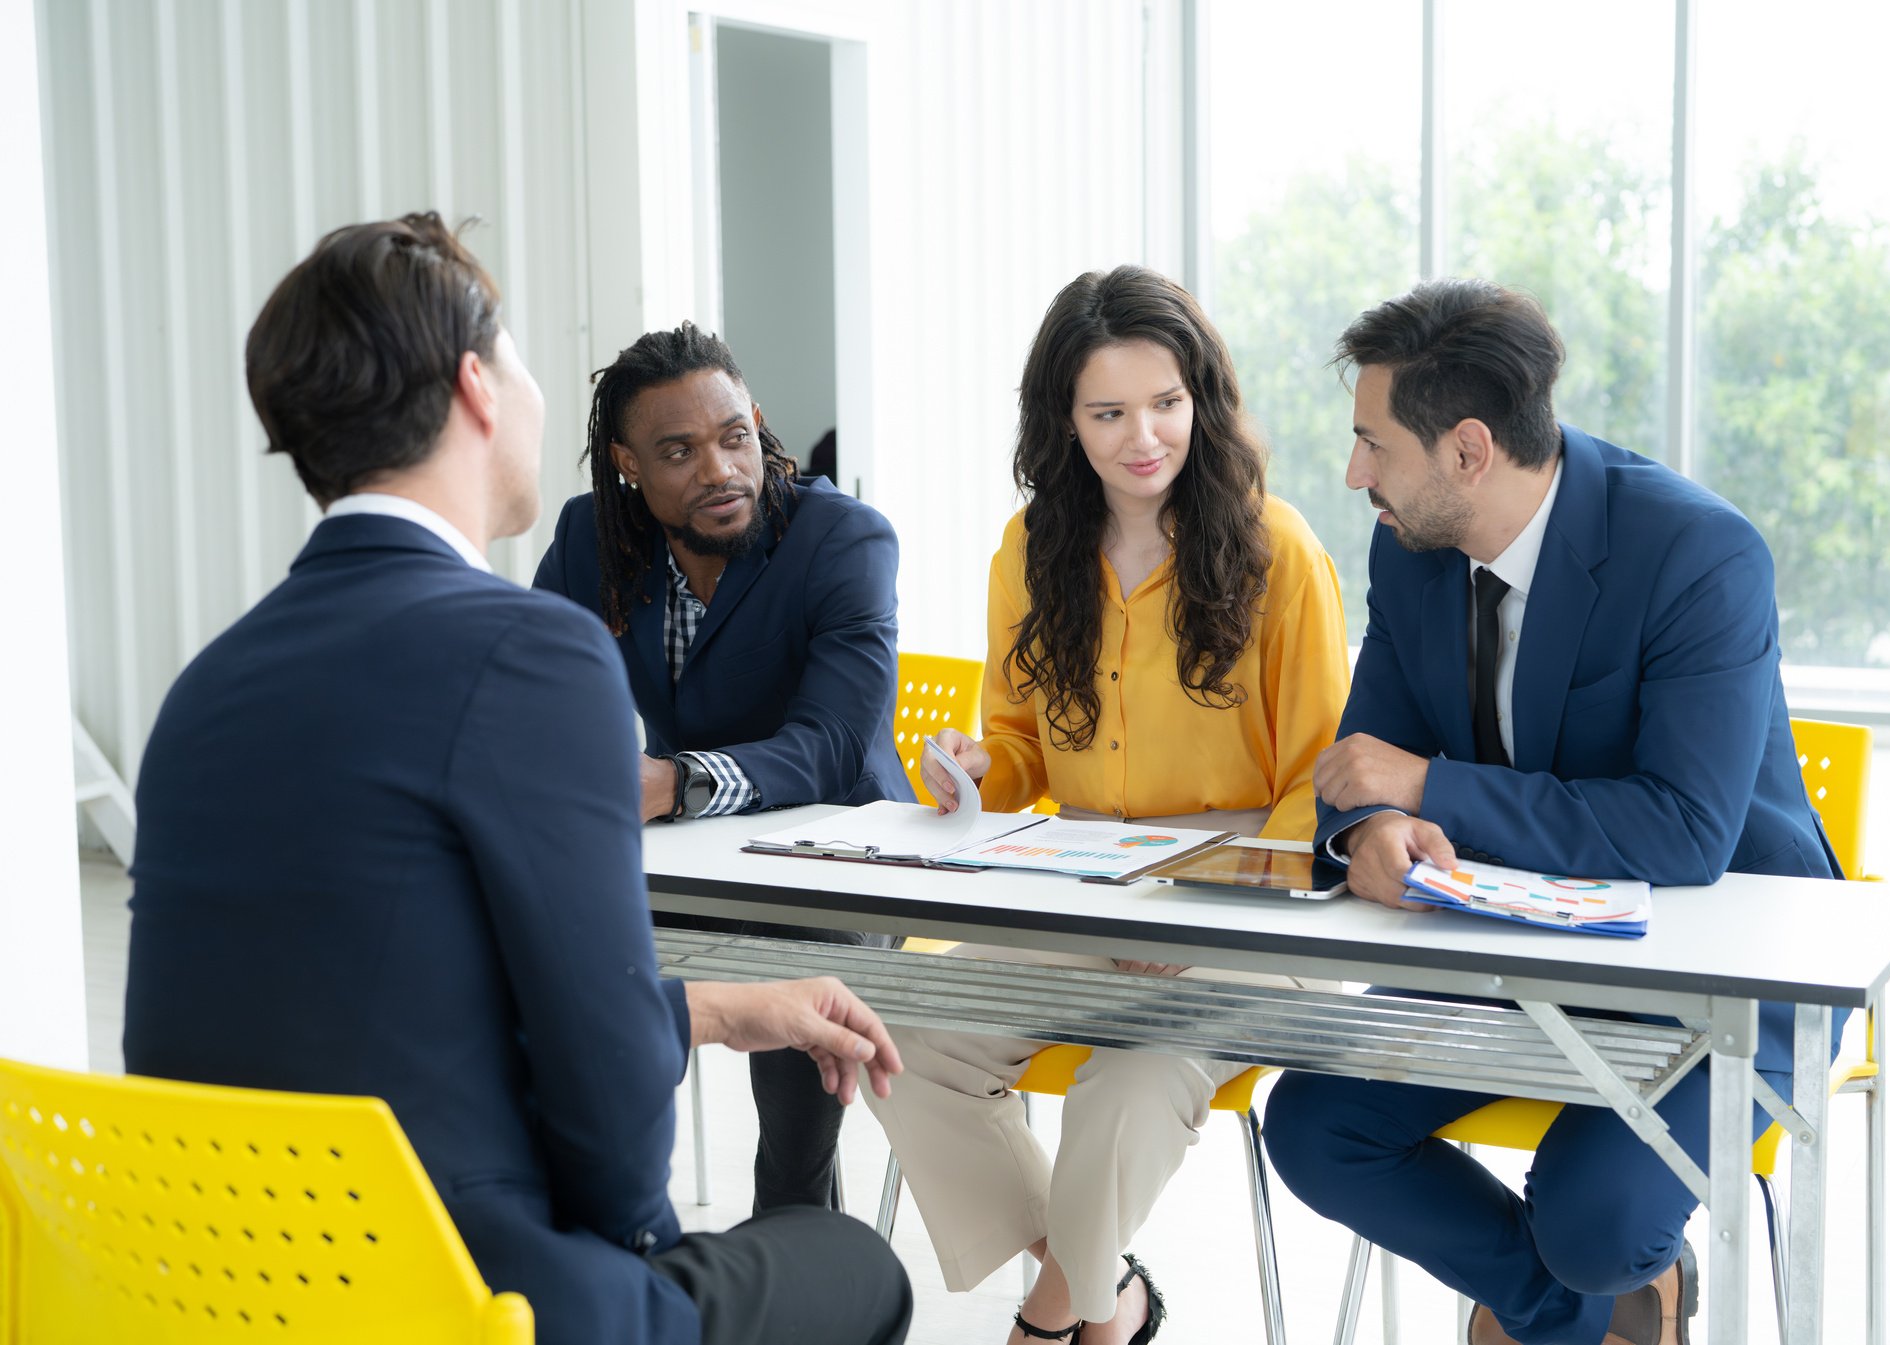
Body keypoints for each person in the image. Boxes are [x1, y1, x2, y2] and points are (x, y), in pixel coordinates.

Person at [123, 213, 912, 1345]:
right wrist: (648, 1256)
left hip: (233, 1285)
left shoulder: (205, 687)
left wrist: (716, 1008)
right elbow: (610, 1135)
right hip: (466, 1292)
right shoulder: (532, 653)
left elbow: (405, 1003)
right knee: (853, 1263)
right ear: (478, 387)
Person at [1260, 278, 1843, 1345]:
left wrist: (1428, 789)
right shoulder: (1412, 547)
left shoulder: (1698, 554)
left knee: (1595, 1218)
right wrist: (1372, 835)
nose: (1354, 475)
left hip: (1722, 983)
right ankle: (1574, 1319)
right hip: (1513, 957)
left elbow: (1681, 832)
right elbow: (1359, 768)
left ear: (1469, 450)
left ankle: (1590, 1284)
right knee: (1313, 1122)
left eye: (1373, 444)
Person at [867, 265, 1351, 1345]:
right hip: (1082, 884)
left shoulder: (1281, 551)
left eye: (1167, 403)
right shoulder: (1029, 550)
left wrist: (1196, 908)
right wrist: (972, 770)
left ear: (1203, 400)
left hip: (1247, 900)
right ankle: (1104, 1289)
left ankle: (1060, 1320)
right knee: (897, 1034)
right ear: (1064, 420)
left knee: (1123, 1094)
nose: (1145, 436)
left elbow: (1317, 786)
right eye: (1109, 411)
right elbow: (1021, 748)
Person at [532, 323, 908, 1215]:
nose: (719, 470)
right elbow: (528, 679)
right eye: (679, 450)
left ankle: (795, 1245)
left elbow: (830, 746)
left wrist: (673, 781)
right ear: (627, 462)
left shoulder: (844, 539)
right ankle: (601, 1222)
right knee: (542, 942)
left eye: (733, 435)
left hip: (841, 866)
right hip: (689, 864)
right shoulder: (593, 536)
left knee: (791, 1018)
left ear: (758, 422)